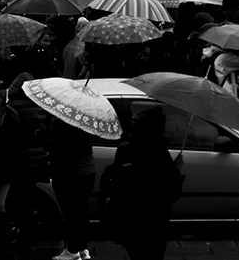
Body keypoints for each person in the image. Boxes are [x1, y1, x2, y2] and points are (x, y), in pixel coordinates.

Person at [101, 107, 182, 260]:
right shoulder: (159, 155)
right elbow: (171, 193)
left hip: (129, 221)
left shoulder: (124, 149)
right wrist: (176, 169)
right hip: (152, 224)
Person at [47, 113, 96, 260]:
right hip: (87, 170)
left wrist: (45, 137)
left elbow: (58, 150)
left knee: (71, 214)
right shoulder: (87, 119)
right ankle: (81, 248)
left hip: (69, 174)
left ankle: (72, 251)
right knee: (80, 212)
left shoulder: (63, 123)